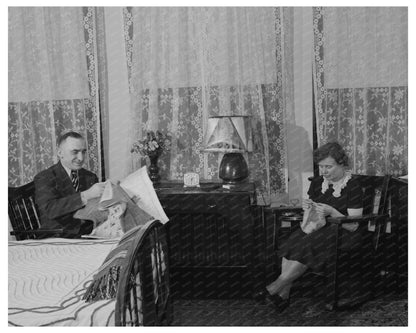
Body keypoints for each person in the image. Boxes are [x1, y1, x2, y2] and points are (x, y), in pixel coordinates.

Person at [255, 142, 363, 311]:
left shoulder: (353, 185)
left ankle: (275, 288)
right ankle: (283, 295)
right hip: (319, 228)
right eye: (321, 167)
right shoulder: (318, 182)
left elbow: (354, 225)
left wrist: (332, 211)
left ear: (341, 163)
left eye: (329, 167)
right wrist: (309, 207)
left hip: (343, 233)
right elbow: (313, 210)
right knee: (294, 240)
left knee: (308, 243)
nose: (324, 171)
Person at [34, 131, 106, 238]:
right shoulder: (45, 177)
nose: (81, 158)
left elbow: (96, 209)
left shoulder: (90, 177)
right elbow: (50, 209)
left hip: (87, 235)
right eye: (75, 152)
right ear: (60, 153)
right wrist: (85, 195)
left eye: (83, 152)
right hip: (57, 236)